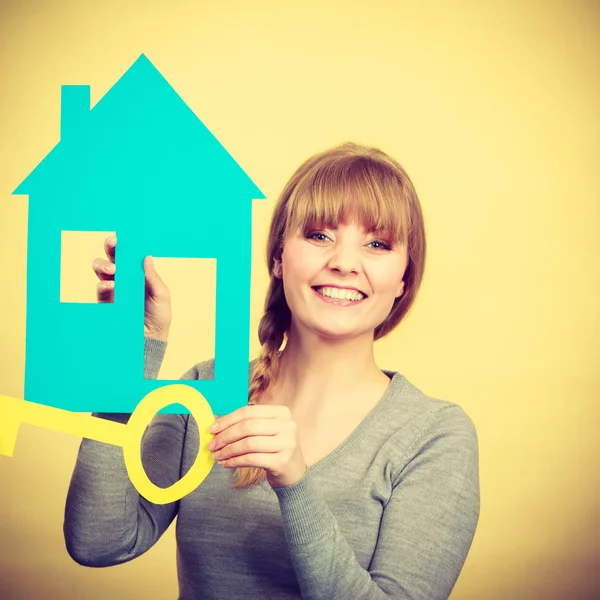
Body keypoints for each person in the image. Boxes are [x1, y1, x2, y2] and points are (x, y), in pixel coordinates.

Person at [64, 141, 480, 599]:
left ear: (404, 278)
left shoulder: (435, 436)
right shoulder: (205, 391)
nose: (343, 263)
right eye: (320, 235)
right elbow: (99, 542)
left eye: (377, 244)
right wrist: (125, 365)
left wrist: (295, 484)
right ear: (279, 258)